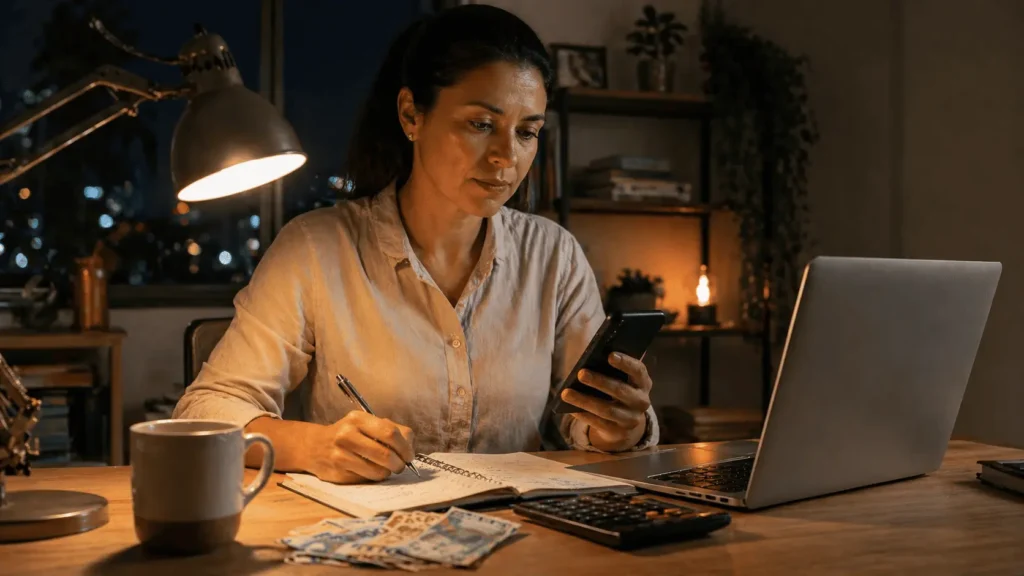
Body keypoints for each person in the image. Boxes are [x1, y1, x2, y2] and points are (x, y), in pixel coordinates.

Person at [172, 4, 659, 485]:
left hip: (522, 536)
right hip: (365, 541)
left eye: (527, 132)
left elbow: (578, 419)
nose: (506, 156)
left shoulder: (553, 256)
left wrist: (617, 428)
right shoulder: (317, 248)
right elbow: (207, 410)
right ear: (411, 114)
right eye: (481, 125)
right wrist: (315, 446)